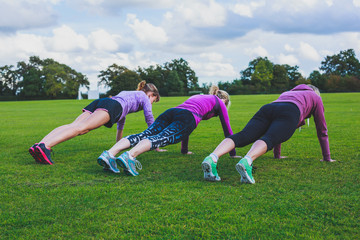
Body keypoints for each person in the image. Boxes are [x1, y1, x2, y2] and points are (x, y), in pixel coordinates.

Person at [201, 84, 336, 184]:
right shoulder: (315, 97)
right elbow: (322, 131)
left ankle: (212, 157)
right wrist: (326, 157)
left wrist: (277, 155)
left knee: (242, 136)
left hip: (268, 108)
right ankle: (247, 161)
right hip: (291, 110)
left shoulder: (287, 93)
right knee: (269, 138)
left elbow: (277, 127)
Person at [98, 85, 236, 176]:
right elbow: (227, 129)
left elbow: (186, 126)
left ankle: (109, 154)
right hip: (187, 118)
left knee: (144, 134)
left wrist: (184, 150)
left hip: (171, 112)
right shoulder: (220, 103)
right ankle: (130, 156)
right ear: (225, 100)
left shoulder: (199, 97)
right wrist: (232, 153)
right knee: (161, 138)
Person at [29, 80, 160, 167]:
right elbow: (149, 117)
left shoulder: (129, 94)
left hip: (104, 101)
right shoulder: (144, 97)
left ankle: (39, 145)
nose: (152, 102)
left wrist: (117, 146)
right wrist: (156, 142)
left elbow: (121, 123)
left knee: (73, 125)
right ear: (152, 94)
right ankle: (46, 146)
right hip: (113, 106)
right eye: (155, 99)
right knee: (82, 128)